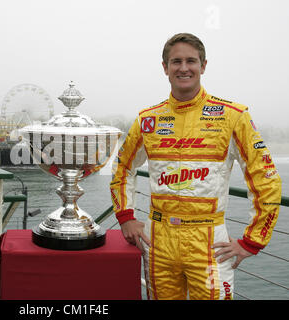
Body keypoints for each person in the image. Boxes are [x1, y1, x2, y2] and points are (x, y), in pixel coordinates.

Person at [110, 33, 281, 300]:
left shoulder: (233, 115)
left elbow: (266, 180)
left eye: (191, 60)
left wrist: (252, 241)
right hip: (158, 239)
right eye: (176, 61)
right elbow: (121, 169)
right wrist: (126, 217)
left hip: (210, 241)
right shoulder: (148, 119)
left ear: (203, 66)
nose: (184, 67)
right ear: (165, 68)